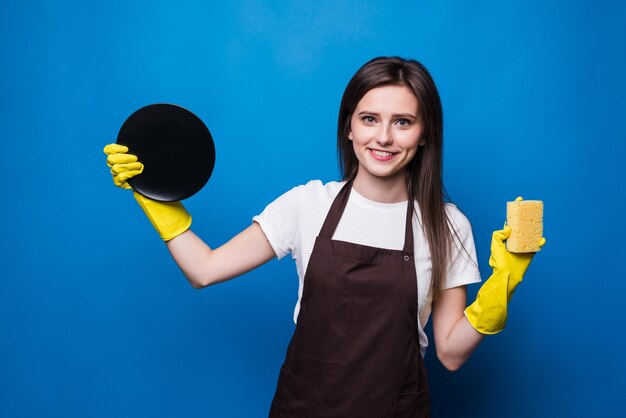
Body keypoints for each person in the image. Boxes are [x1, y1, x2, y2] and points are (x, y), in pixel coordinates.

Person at [104, 56, 545, 417]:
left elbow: (450, 353)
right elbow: (204, 269)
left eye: (403, 122)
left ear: (425, 133)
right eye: (370, 118)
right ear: (349, 126)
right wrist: (156, 202)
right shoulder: (307, 204)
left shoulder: (447, 224)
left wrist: (501, 286)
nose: (384, 137)